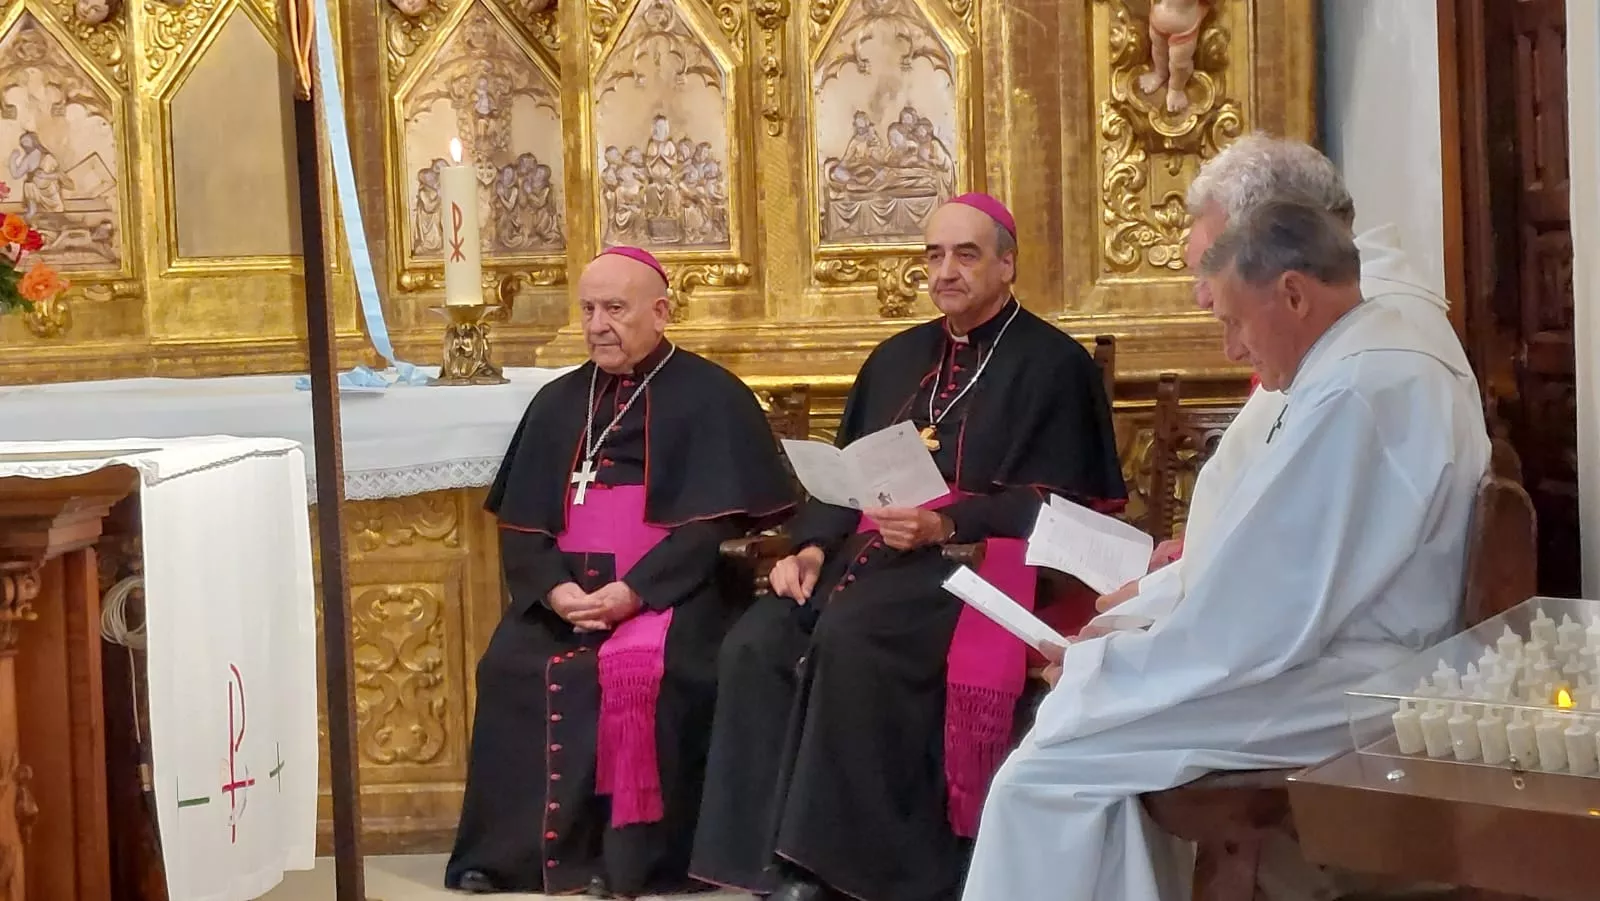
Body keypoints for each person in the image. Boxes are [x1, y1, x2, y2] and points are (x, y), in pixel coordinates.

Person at [962, 200, 1490, 901]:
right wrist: (1127, 633)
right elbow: (1261, 575)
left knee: (1047, 769)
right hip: (1356, 651)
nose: (1232, 348)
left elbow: (1261, 617)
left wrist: (1106, 659)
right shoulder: (1366, 355)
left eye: (1234, 321)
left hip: (1364, 676)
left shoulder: (1355, 389)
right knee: (1082, 736)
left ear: (1294, 294)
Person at [690, 194, 1127, 901]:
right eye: (933, 255)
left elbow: (1068, 502)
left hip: (974, 562)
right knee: (756, 641)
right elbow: (844, 478)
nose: (945, 271)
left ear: (1007, 264)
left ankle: (836, 869)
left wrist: (948, 525)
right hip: (870, 550)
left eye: (966, 254)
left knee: (854, 636)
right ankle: (763, 861)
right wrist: (807, 550)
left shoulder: (1054, 364)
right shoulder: (896, 358)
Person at [445, 246, 796, 896]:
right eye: (588, 309)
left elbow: (714, 526)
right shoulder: (558, 401)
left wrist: (634, 592)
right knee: (510, 665)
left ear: (660, 313)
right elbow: (522, 523)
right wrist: (555, 590)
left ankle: (630, 862)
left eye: (615, 308)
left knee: (652, 677)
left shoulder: (712, 396)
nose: (598, 323)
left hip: (676, 594)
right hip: (570, 593)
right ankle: (505, 858)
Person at [1098, 133, 1476, 621]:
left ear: (1277, 238)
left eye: (1213, 264)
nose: (1201, 297)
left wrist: (1135, 637)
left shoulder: (1354, 359)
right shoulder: (1347, 326)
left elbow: (1281, 594)